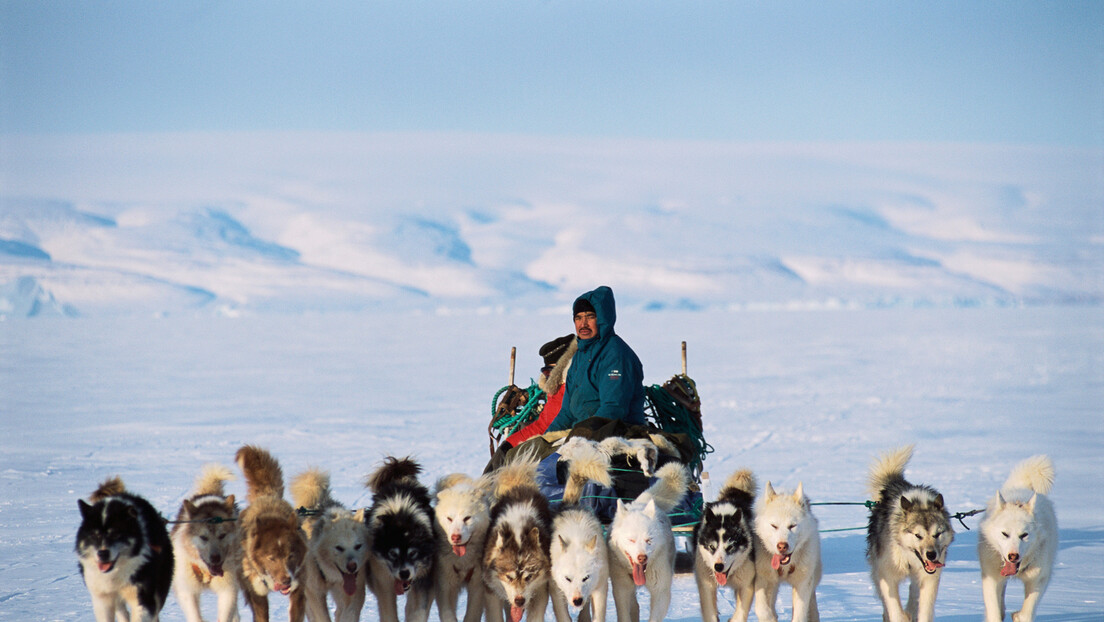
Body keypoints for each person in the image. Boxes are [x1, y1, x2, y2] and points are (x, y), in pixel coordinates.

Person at [546, 285, 646, 432]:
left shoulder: (616, 355)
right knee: (542, 453)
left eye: (590, 317)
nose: (583, 324)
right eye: (578, 318)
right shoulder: (579, 356)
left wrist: (581, 433)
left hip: (616, 431)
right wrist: (545, 438)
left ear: (603, 319)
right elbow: (566, 412)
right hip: (582, 433)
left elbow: (613, 407)